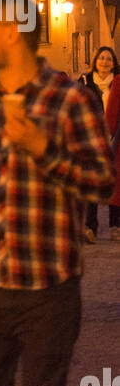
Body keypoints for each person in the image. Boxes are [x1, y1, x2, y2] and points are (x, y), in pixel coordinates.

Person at [0, 0, 116, 386]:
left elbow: (103, 182)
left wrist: (44, 150)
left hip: (47, 287)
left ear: (11, 34)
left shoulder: (67, 99)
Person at [78, 46, 120, 241]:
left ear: (114, 63)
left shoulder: (118, 83)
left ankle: (115, 226)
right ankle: (90, 227)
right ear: (95, 60)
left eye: (109, 59)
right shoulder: (85, 83)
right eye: (102, 58)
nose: (105, 62)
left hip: (115, 138)